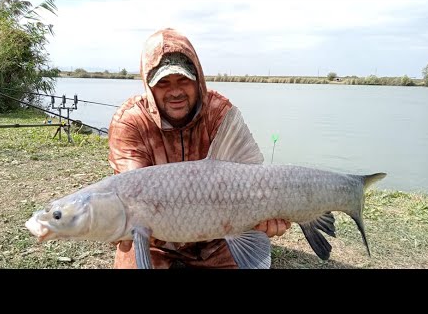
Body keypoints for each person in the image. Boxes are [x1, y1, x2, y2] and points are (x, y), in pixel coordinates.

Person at [108, 28, 291, 269]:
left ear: (198, 79)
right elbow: (131, 199)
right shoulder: (131, 122)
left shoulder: (219, 113)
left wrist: (260, 218)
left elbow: (248, 175)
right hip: (154, 241)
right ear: (149, 87)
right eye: (163, 82)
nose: (175, 91)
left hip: (220, 236)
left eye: (183, 79)